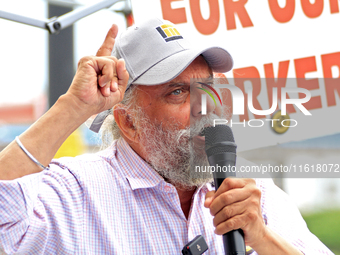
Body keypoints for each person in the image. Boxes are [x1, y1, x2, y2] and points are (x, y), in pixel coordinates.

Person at [0, 18, 333, 255]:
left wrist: (261, 238)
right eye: (177, 92)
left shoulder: (253, 193)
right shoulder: (76, 192)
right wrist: (74, 107)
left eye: (207, 87)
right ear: (128, 121)